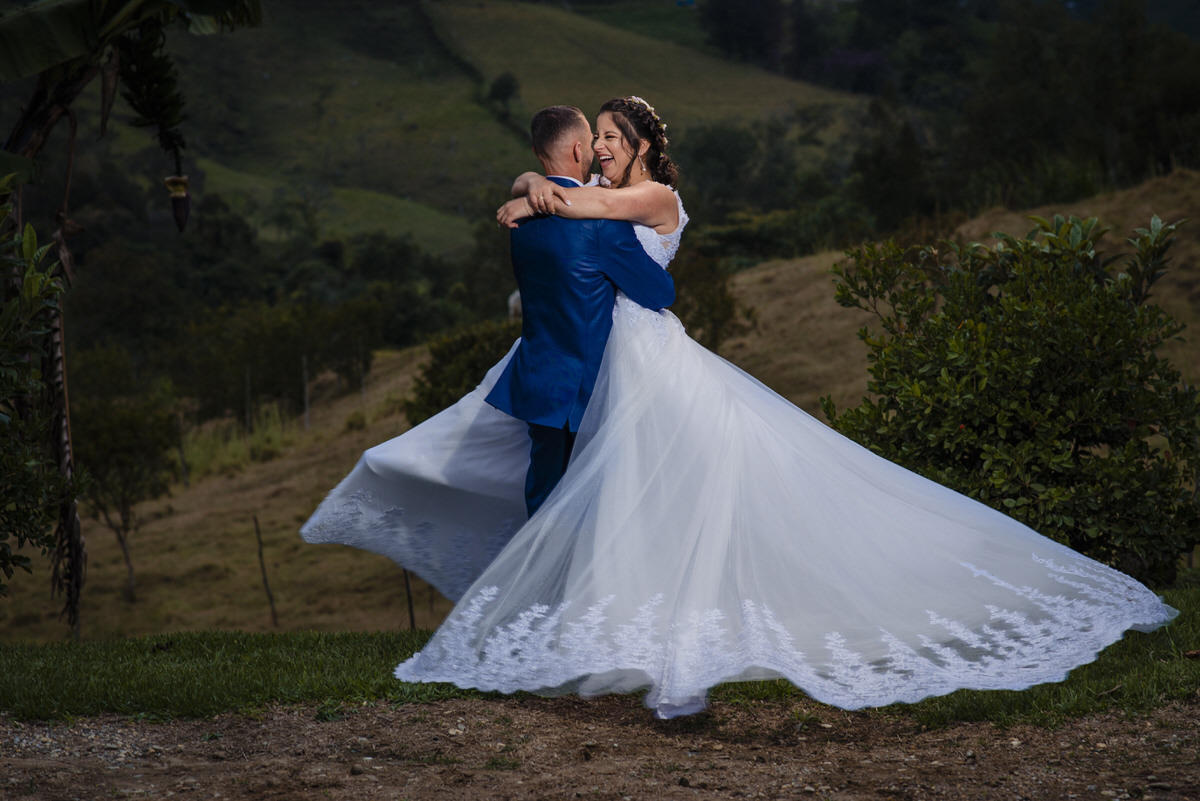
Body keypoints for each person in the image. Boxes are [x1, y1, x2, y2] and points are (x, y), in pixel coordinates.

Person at [310, 97, 1178, 720]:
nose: (606, 146)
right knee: (637, 495)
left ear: (643, 144)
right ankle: (626, 637)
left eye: (614, 136)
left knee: (684, 491)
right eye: (599, 138)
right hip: (617, 360)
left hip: (651, 356)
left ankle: (655, 644)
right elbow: (575, 205)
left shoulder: (652, 200)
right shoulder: (591, 195)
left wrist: (532, 192)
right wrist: (532, 184)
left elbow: (605, 221)